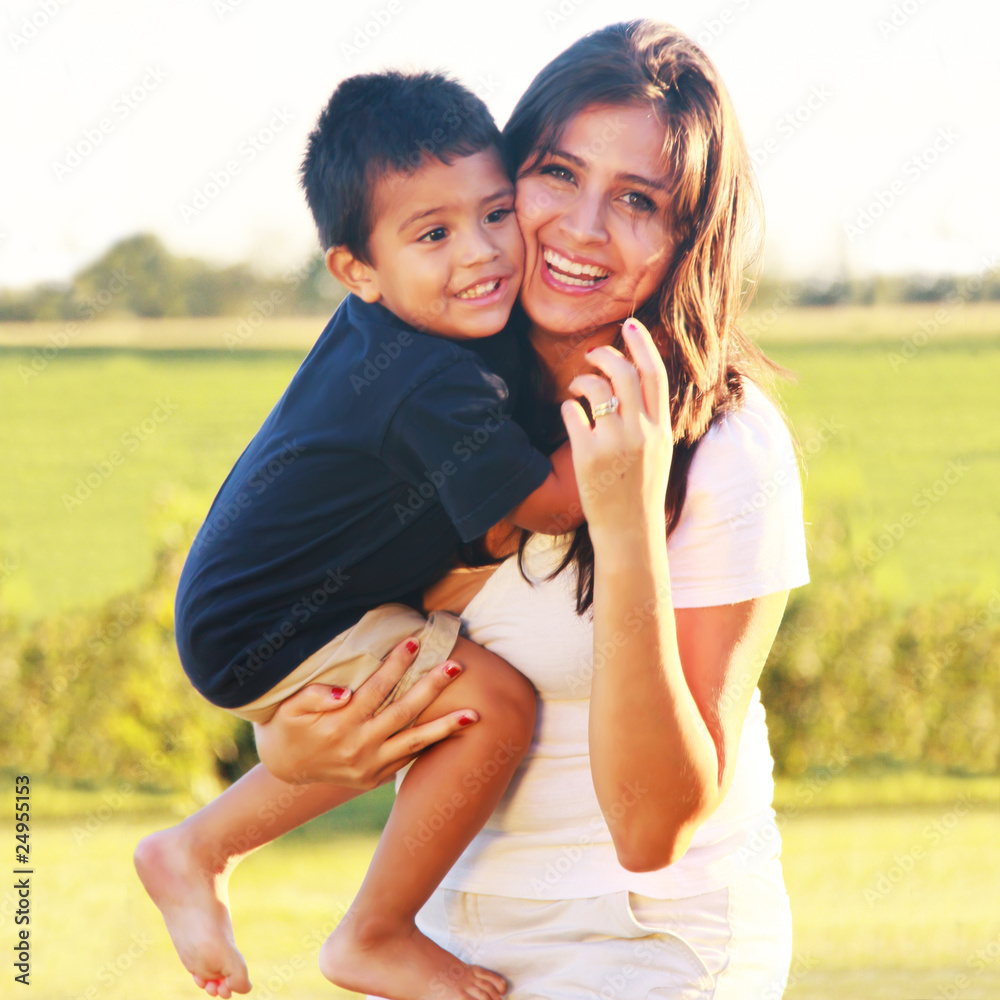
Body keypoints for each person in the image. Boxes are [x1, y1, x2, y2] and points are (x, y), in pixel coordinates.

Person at [249, 20, 811, 1000]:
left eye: (638, 199)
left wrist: (626, 522)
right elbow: (355, 657)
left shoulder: (725, 444)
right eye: (557, 173)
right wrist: (291, 745)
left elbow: (652, 828)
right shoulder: (431, 409)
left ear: (688, 236)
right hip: (449, 949)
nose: (583, 227)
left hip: (649, 949)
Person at [134, 70, 587, 1000]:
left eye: (496, 214)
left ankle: (192, 849)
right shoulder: (423, 374)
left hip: (266, 600)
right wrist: (650, 417)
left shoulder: (424, 330)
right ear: (358, 271)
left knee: (406, 692)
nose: (481, 254)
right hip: (269, 622)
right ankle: (373, 935)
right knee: (492, 707)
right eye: (433, 234)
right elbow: (548, 501)